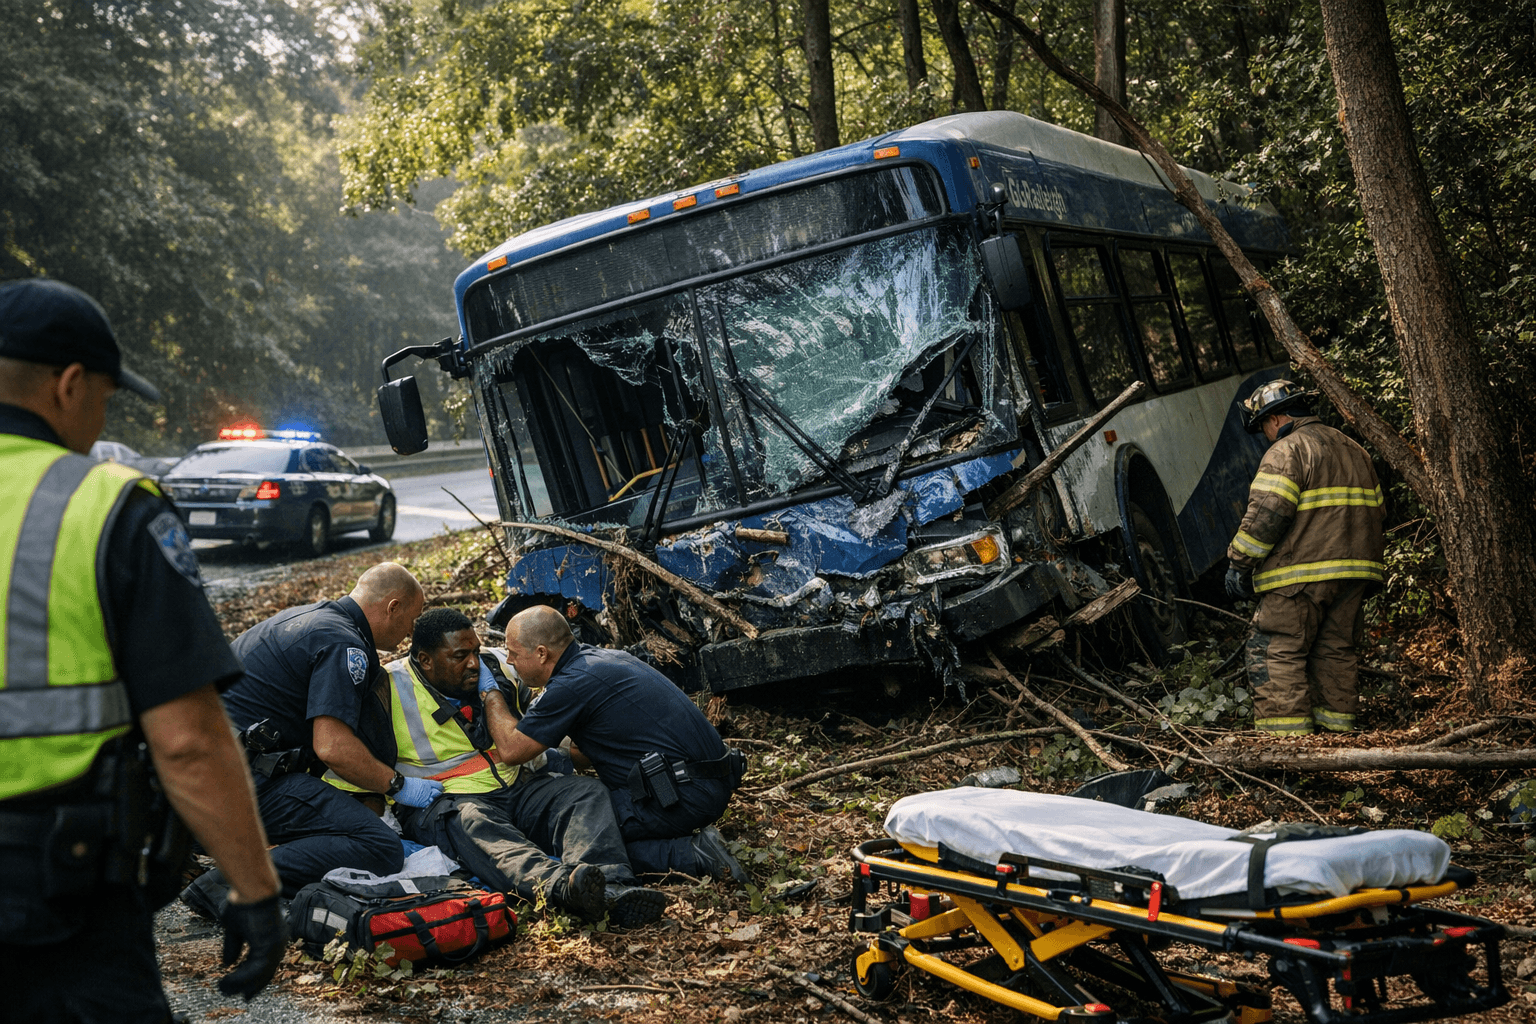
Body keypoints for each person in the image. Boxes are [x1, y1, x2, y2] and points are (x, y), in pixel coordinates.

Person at [0, 279, 285, 1023]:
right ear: (68, 385)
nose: (100, 423)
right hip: (55, 902)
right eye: (104, 399)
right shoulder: (104, 504)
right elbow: (188, 740)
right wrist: (254, 891)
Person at [341, 608, 668, 926]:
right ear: (425, 660)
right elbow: (352, 765)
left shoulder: (500, 665)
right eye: (459, 656)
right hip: (448, 802)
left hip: (517, 787)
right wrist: (389, 816)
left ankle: (612, 887)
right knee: (475, 823)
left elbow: (548, 718)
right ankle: (562, 887)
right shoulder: (390, 689)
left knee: (584, 792)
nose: (473, 663)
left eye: (476, 651)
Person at [180, 562, 429, 916]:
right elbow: (332, 747)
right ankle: (228, 886)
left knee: (340, 824)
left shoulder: (306, 618)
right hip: (238, 781)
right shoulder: (345, 645)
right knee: (379, 847)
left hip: (194, 773)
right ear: (393, 608)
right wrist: (398, 785)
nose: (410, 631)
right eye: (412, 619)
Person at [493, 605, 747, 882]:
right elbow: (584, 753)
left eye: (514, 653)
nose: (509, 661)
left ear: (542, 653)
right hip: (706, 782)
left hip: (683, 796)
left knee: (576, 837)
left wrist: (490, 692)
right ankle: (694, 849)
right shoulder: (600, 659)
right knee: (587, 835)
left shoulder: (570, 684)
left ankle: (694, 855)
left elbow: (511, 750)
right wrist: (555, 755)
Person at [1225, 379, 1386, 737]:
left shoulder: (1287, 451)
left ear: (1277, 418)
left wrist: (1239, 563)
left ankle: (1290, 751)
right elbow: (1378, 512)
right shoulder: (1353, 449)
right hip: (1356, 575)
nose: (1266, 436)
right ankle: (1337, 741)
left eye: (1264, 427)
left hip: (1299, 578)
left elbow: (1267, 515)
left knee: (1276, 650)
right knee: (1335, 652)